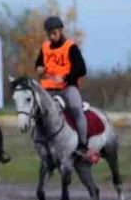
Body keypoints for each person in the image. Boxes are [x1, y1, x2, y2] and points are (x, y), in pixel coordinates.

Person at [35, 16, 91, 162]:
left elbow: (82, 69)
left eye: (53, 33)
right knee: (35, 110)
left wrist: (65, 78)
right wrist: (39, 68)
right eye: (48, 34)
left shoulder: (71, 47)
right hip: (48, 88)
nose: (51, 36)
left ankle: (83, 145)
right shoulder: (45, 46)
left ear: (60, 31)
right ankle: (41, 141)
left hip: (67, 87)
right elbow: (39, 64)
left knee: (76, 108)